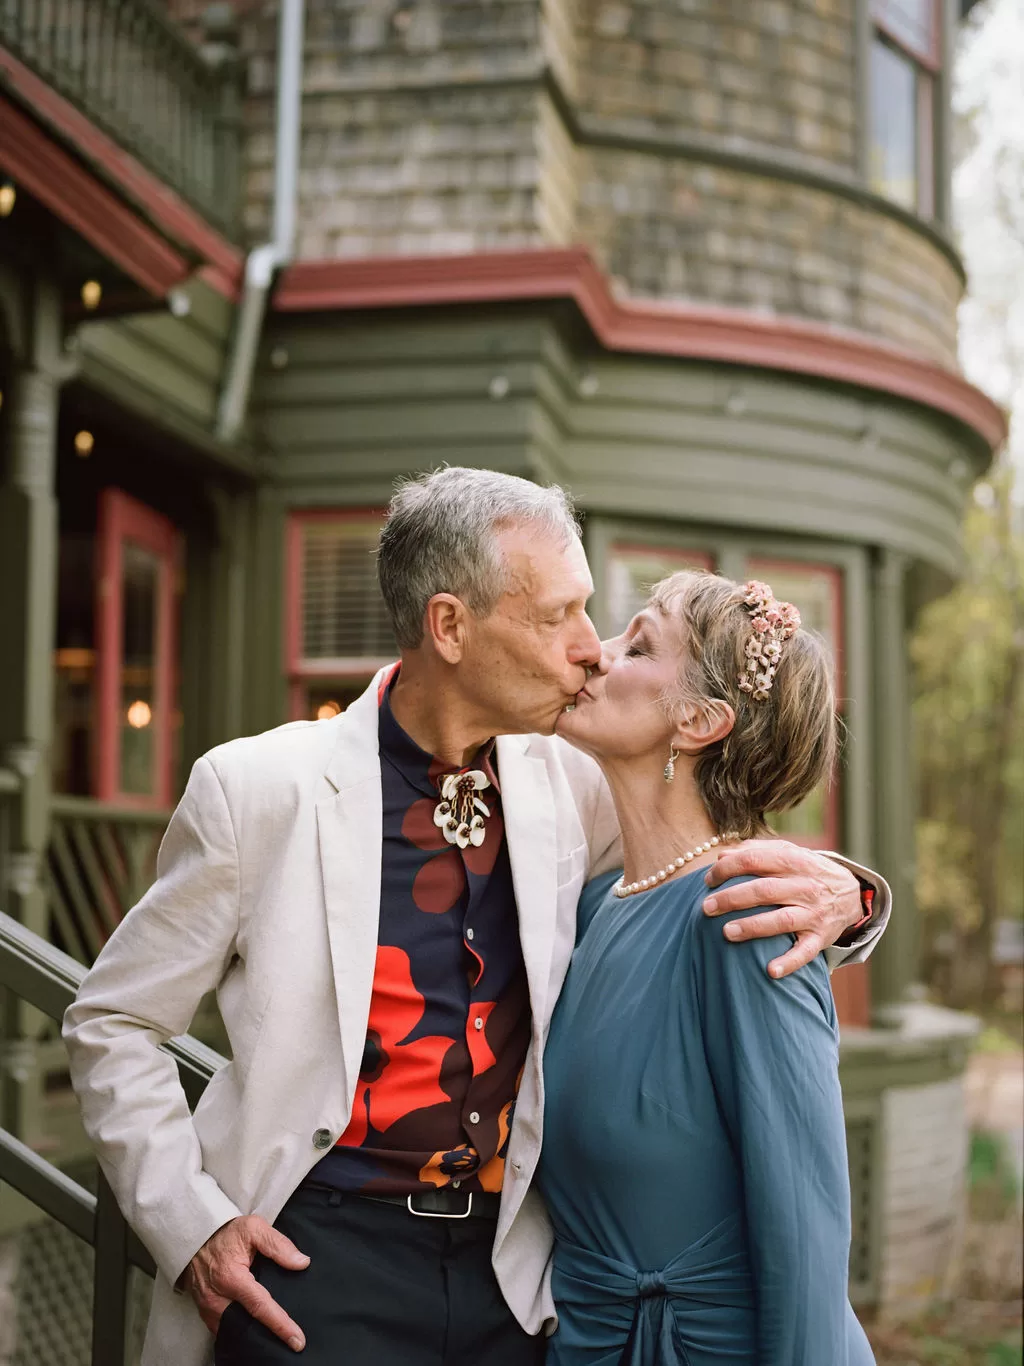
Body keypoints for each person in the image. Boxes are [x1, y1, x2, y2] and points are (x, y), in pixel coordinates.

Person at [63, 470, 888, 1366]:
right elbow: (113, 1021)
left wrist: (852, 897)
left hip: (519, 1280)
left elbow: (707, 838)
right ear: (450, 626)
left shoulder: (574, 782)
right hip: (316, 1267)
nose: (590, 650)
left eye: (593, 614)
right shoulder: (258, 792)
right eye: (556, 617)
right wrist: (193, 1229)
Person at [539, 570, 876, 1365]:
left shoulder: (749, 918)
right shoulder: (594, 908)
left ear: (697, 720)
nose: (597, 652)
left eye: (639, 643)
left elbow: (806, 1233)